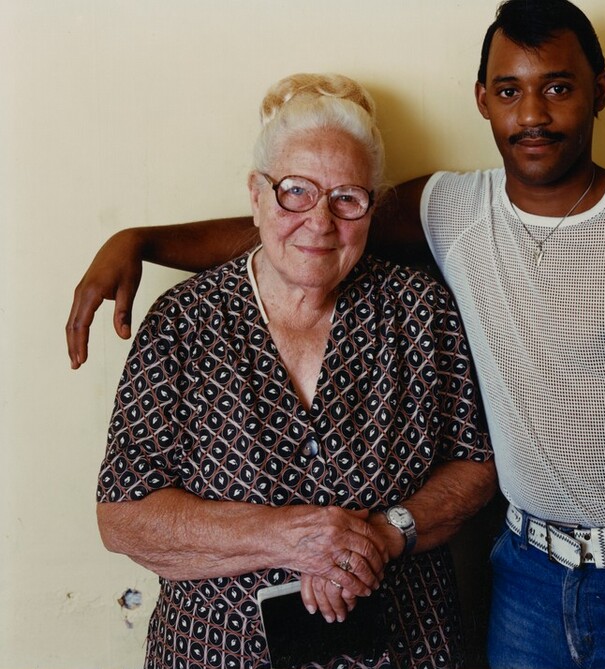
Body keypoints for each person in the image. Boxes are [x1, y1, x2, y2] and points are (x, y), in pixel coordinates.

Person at [70, 2, 605, 668]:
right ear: (481, 102)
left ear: (600, 89)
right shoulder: (454, 208)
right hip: (524, 578)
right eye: (508, 91)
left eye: (557, 86)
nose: (532, 113)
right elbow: (300, 229)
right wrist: (139, 240)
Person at [93, 72, 496, 669]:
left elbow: (479, 464)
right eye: (295, 192)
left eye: (346, 198)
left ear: (373, 207)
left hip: (407, 645)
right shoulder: (184, 320)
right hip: (217, 648)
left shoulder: (419, 310)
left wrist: (387, 534)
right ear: (256, 195)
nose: (320, 221)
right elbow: (123, 516)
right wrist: (289, 538)